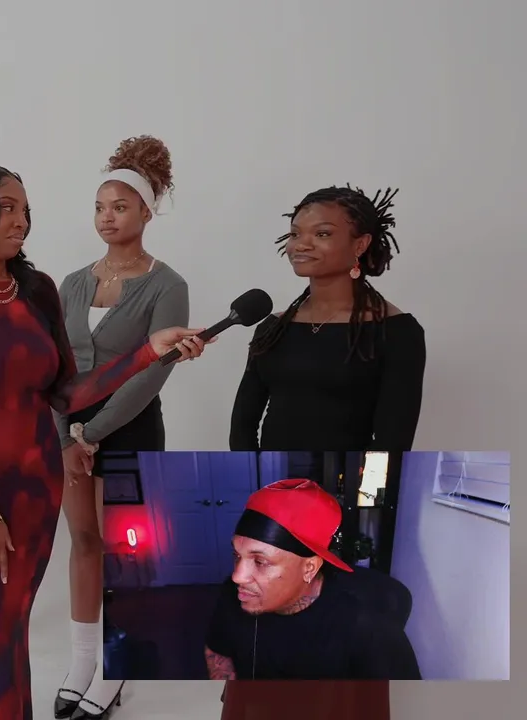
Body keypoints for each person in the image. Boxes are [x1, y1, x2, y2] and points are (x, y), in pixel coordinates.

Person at [0, 162, 209, 720]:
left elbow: (67, 392)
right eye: (7, 208)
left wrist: (146, 352)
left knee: (11, 632)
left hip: (35, 488)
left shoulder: (37, 290)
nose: (21, 221)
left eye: (25, 209)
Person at [54, 136, 188, 719]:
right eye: (100, 207)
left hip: (128, 427)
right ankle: (83, 660)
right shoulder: (72, 282)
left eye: (121, 207)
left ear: (146, 213)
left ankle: (117, 662)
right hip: (69, 431)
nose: (107, 217)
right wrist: (66, 435)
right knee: (83, 542)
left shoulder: (167, 284)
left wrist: (94, 433)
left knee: (121, 552)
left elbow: (153, 373)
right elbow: (55, 365)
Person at [229, 185, 426, 451]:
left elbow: (393, 442)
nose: (301, 244)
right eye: (295, 233)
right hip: (273, 474)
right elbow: (242, 426)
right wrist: (255, 471)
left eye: (322, 233)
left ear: (360, 244)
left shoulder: (396, 331)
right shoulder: (273, 328)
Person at [208, 480, 420, 720]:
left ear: (309, 568)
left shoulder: (369, 626)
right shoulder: (233, 594)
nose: (238, 576)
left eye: (260, 562)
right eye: (237, 555)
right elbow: (218, 651)